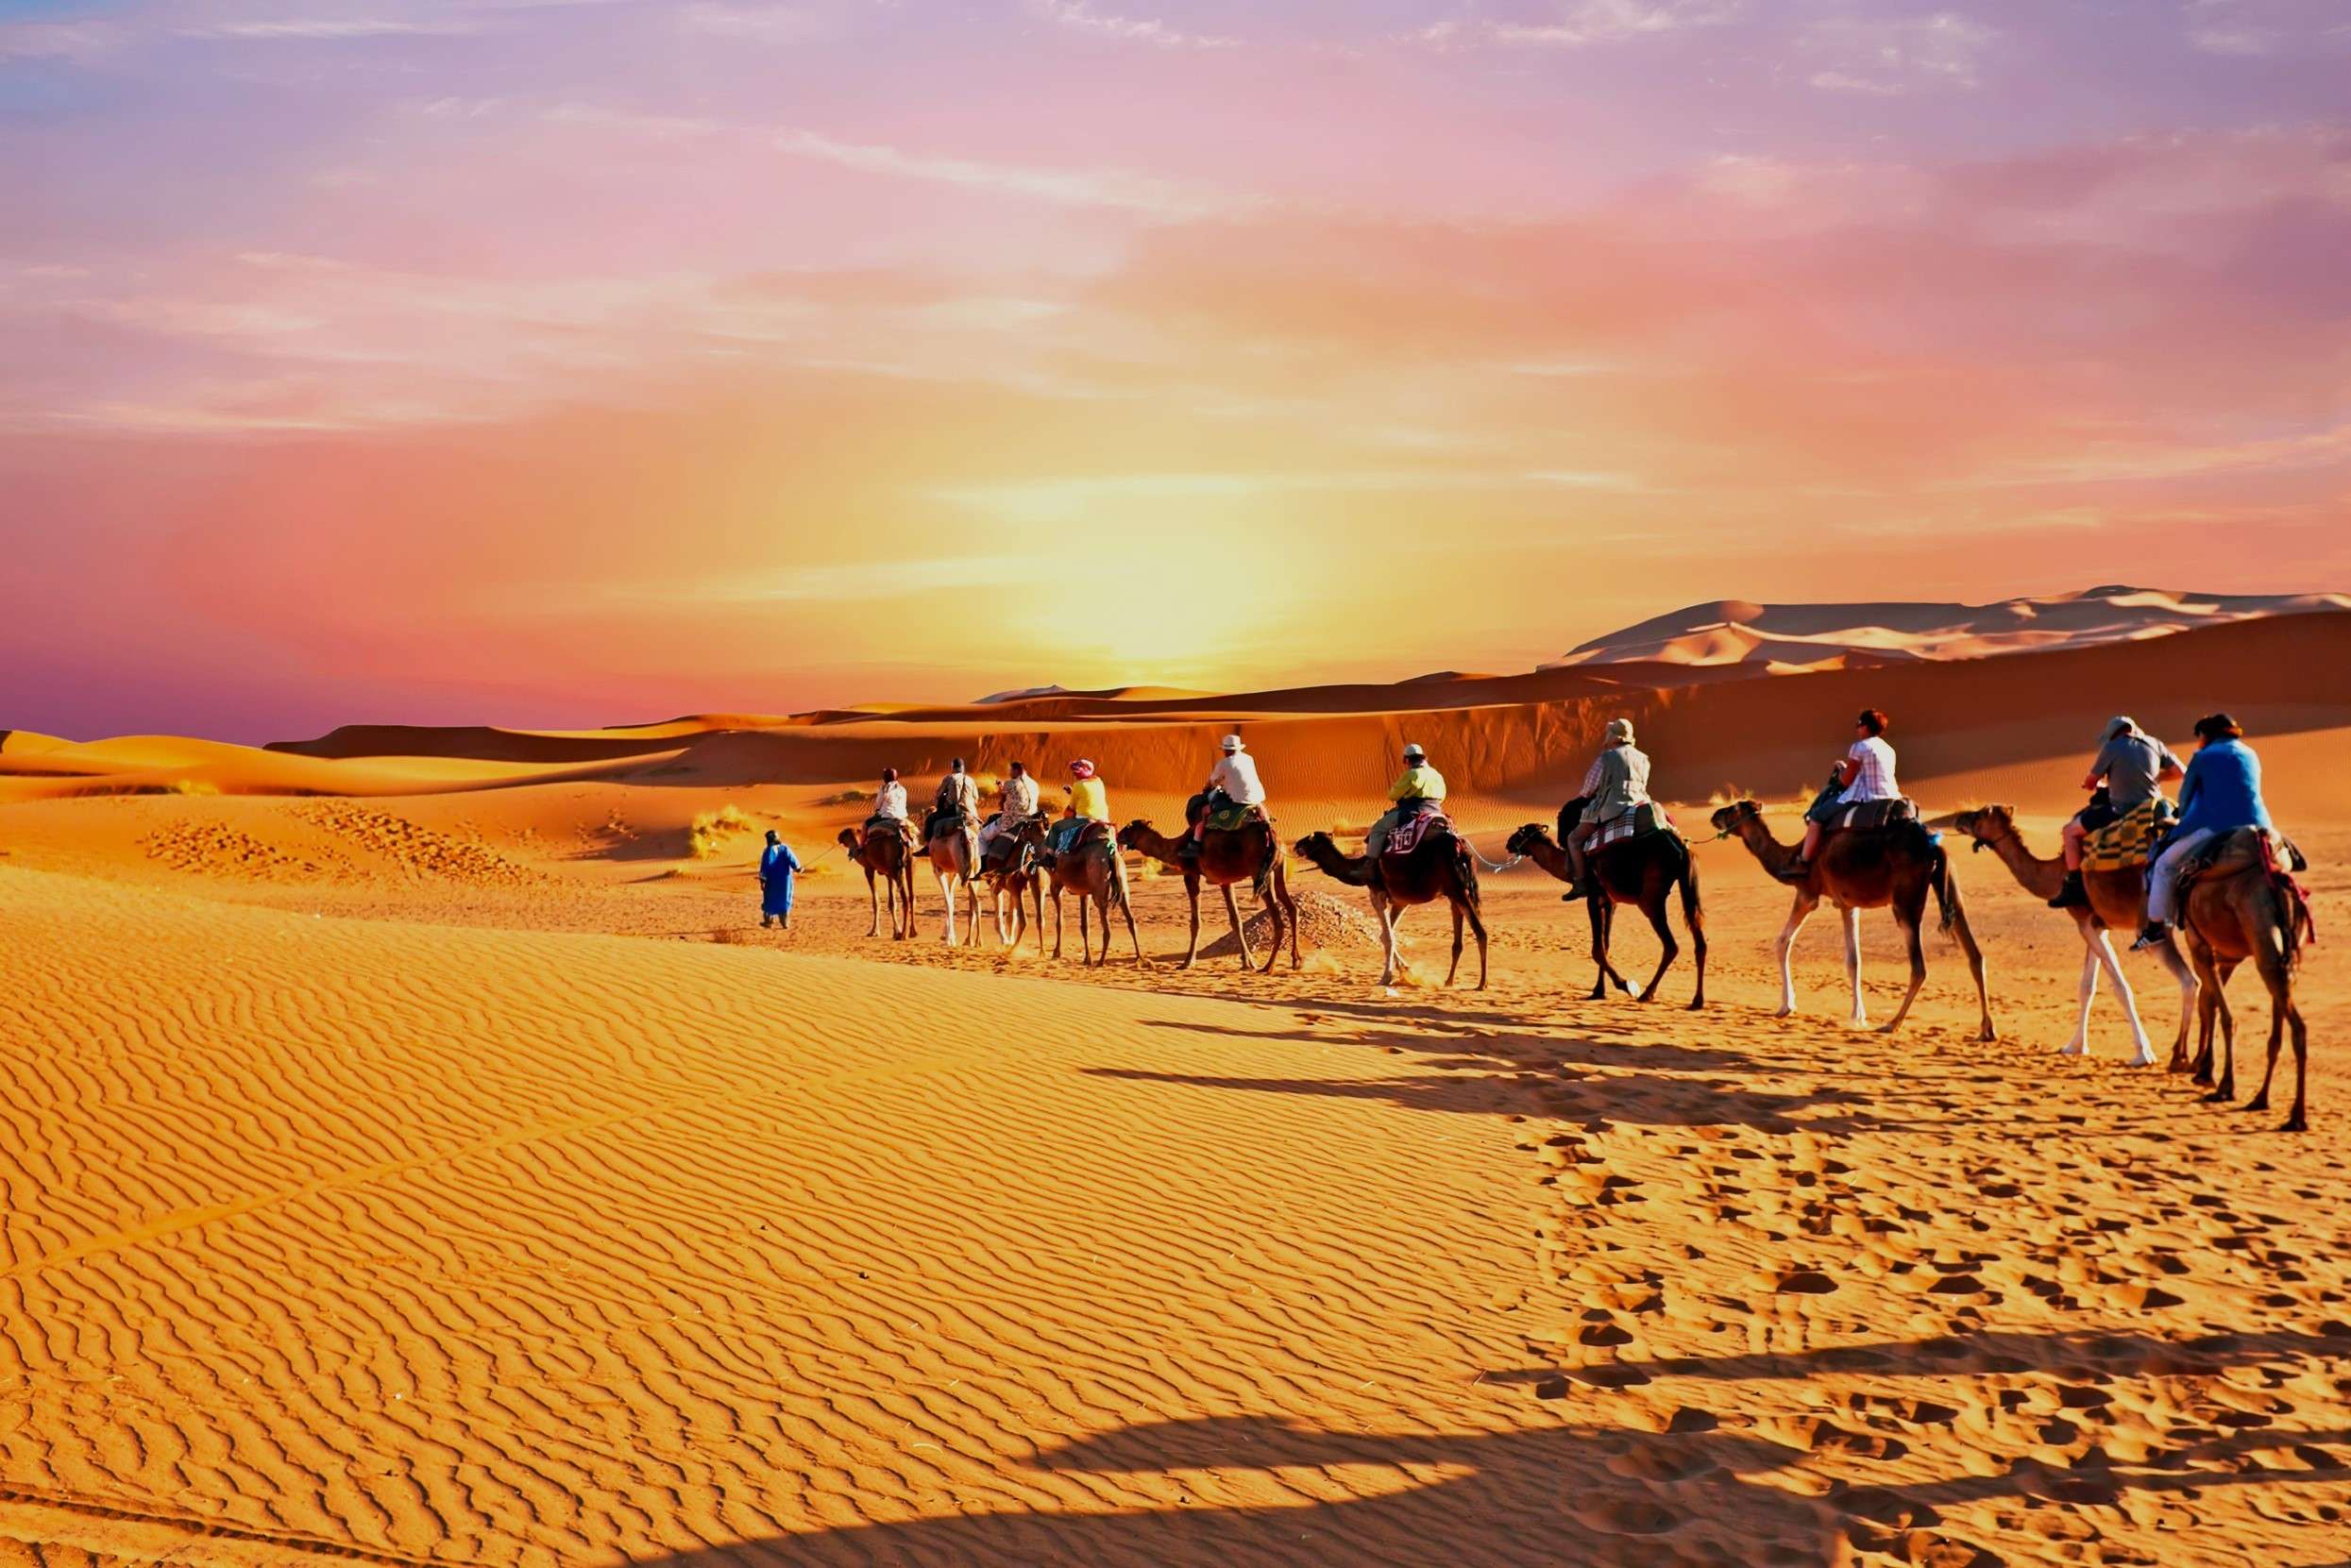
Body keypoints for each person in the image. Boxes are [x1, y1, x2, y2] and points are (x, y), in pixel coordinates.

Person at [2136, 713, 2271, 950]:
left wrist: (2179, 816)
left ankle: (2156, 927)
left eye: (2199, 737)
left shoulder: (2202, 757)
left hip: (2215, 827)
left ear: (2206, 736)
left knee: (2164, 864)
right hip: (2260, 827)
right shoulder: (2251, 753)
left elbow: (2185, 799)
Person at [2050, 717, 2185, 909]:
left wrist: (2095, 784)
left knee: (2069, 831)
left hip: (2121, 810)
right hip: (2153, 807)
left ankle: (2074, 884)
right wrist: (2155, 778)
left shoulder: (2112, 747)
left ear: (2112, 735)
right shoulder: (2155, 743)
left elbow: (2090, 782)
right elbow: (2180, 772)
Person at [1795, 709, 1898, 870]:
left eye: (1858, 724)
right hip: (1891, 797)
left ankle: (1804, 862)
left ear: (1865, 727)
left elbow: (1846, 781)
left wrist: (1842, 768)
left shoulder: (1860, 747)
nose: (1857, 729)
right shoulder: (1889, 749)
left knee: (1816, 817)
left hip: (1865, 797)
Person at [1563, 718, 1651, 900]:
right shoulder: (1643, 758)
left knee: (1573, 840)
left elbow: (1588, 789)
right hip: (1639, 807)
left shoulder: (1606, 758)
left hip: (1610, 809)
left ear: (1613, 736)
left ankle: (1580, 883)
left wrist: (1587, 795)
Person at [1182, 734, 1266, 860]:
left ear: (1226, 750)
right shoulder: (1249, 758)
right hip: (1257, 798)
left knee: (1204, 811)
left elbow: (1213, 781)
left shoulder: (1224, 763)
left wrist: (1207, 787)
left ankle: (1195, 845)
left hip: (1239, 801)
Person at [1366, 742, 1446, 857]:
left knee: (1378, 829)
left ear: (1407, 760)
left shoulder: (1411, 774)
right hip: (1436, 813)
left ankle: (1370, 862)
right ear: (1422, 757)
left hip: (1412, 813)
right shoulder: (1436, 774)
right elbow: (1442, 796)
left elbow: (1393, 796)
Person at [1050, 758, 1110, 856]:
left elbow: (1072, 807)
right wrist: (1073, 792)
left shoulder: (1078, 785)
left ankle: (1049, 855)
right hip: (1103, 820)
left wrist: (1074, 793)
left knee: (1056, 827)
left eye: (1076, 773)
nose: (1075, 775)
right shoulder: (1099, 782)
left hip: (1085, 820)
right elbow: (1088, 794)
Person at [980, 760, 1040, 857]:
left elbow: (1001, 795)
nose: (1009, 773)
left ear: (1016, 771)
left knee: (981, 837)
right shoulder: (1034, 784)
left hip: (1012, 822)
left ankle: (982, 863)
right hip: (1030, 821)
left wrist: (1000, 786)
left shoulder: (1011, 783)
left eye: (1010, 771)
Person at [929, 757, 981, 842]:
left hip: (954, 812)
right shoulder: (971, 780)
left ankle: (929, 845)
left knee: (931, 820)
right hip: (972, 813)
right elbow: (976, 799)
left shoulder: (949, 778)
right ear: (963, 768)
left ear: (953, 767)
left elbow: (938, 795)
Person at [758, 829, 801, 929]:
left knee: (770, 900)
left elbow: (764, 867)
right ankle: (785, 923)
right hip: (785, 881)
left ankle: (769, 922)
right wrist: (798, 868)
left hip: (772, 881)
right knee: (784, 900)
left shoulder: (767, 851)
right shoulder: (784, 848)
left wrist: (762, 881)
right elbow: (793, 860)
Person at [868, 767, 915, 850]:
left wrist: (878, 809)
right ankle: (914, 846)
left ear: (885, 778)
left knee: (866, 825)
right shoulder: (903, 789)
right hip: (902, 817)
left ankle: (861, 848)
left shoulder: (884, 788)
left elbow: (878, 804)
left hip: (886, 816)